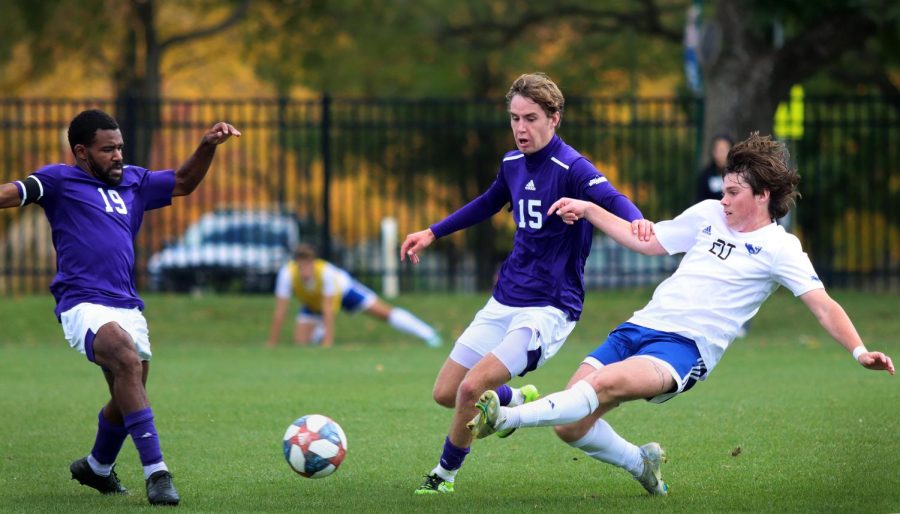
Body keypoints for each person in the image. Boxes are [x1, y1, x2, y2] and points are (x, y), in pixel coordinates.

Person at [467, 133, 895, 497]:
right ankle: (641, 462)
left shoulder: (781, 248)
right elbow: (649, 241)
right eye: (724, 190)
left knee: (604, 384)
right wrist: (591, 210)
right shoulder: (708, 215)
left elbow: (824, 305)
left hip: (684, 347)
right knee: (571, 425)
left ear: (762, 196)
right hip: (638, 326)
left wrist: (859, 351)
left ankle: (506, 417)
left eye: (732, 192)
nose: (722, 198)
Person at [400, 72, 645, 495]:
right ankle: (518, 397)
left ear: (555, 118)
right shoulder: (512, 163)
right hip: (505, 297)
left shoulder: (572, 167)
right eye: (514, 118)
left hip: (548, 307)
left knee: (473, 388)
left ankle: (443, 476)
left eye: (530, 118)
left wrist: (636, 219)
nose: (520, 128)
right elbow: (488, 202)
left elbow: (614, 200)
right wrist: (433, 232)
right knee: (448, 392)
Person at [0, 109, 240, 506]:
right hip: (82, 302)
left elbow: (182, 182)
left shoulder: (135, 181)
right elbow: (12, 192)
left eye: (120, 147)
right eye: (107, 149)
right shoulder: (59, 180)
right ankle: (157, 473)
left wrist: (206, 146)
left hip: (127, 304)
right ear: (82, 152)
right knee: (127, 363)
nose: (117, 155)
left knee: (129, 394)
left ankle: (96, 466)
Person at [266, 243, 442, 348]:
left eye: (308, 265)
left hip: (344, 291)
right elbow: (280, 311)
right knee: (300, 341)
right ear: (295, 264)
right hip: (314, 304)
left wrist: (328, 343)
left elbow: (329, 310)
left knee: (383, 313)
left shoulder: (326, 272)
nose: (305, 270)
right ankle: (318, 334)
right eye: (301, 266)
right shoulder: (286, 274)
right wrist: (272, 343)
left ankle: (428, 334)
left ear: (313, 263)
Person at [696, 134, 733, 202]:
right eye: (718, 150)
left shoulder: (738, 174)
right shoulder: (705, 175)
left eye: (724, 150)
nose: (721, 154)